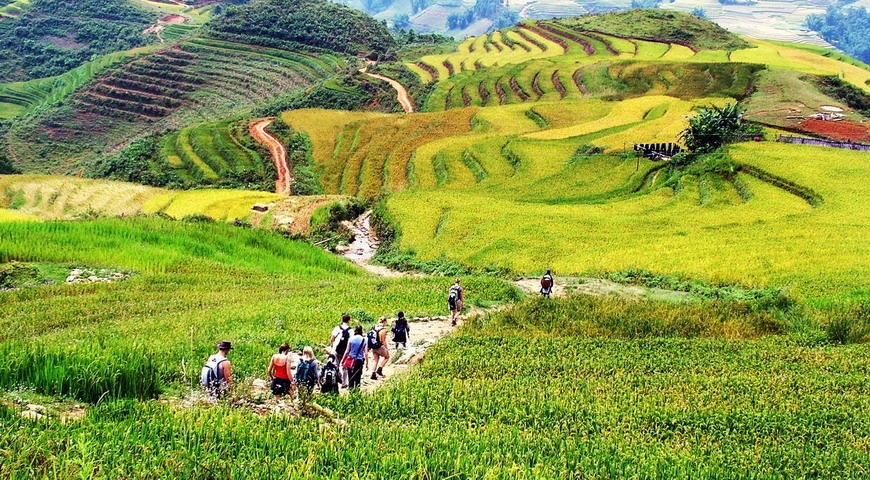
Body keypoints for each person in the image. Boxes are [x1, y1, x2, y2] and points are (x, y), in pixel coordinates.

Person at [329, 314, 353, 387]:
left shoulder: (337, 328)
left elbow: (332, 338)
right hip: (345, 351)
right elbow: (351, 341)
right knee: (345, 367)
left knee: (335, 365)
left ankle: (335, 380)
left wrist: (332, 346)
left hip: (336, 349)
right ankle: (344, 382)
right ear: (349, 321)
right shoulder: (351, 330)